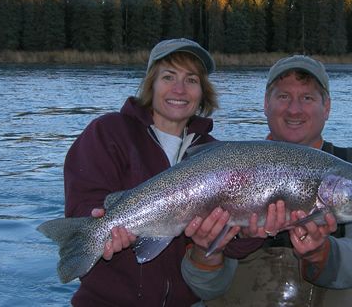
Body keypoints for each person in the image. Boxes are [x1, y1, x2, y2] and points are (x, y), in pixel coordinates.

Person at [63, 38, 261, 306]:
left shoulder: (216, 155)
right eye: (168, 77)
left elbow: (231, 246)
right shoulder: (109, 132)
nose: (179, 89)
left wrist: (249, 235)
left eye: (191, 80)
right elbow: (83, 201)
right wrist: (96, 219)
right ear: (151, 85)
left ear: (202, 92)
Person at [198, 55, 352, 306]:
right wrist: (216, 249)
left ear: (327, 107)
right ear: (266, 105)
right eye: (283, 97)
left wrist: (321, 253)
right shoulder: (220, 170)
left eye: (307, 97)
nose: (294, 109)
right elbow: (199, 285)